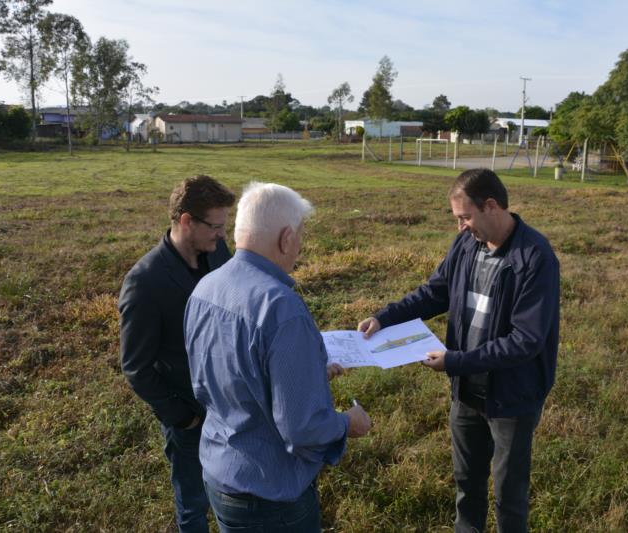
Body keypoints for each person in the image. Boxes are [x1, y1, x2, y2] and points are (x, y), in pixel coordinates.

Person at [358, 168, 560, 533]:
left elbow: (525, 340)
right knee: (467, 484)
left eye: (465, 217)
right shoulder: (466, 245)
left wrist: (455, 362)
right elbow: (435, 292)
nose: (461, 227)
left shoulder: (535, 257)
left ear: (492, 206)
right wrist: (384, 318)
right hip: (467, 391)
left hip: (511, 397)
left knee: (509, 493)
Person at [184, 182, 372, 533]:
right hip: (271, 497)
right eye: (301, 235)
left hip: (220, 472)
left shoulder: (206, 287)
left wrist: (309, 372)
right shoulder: (281, 309)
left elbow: (218, 376)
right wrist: (349, 422)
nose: (300, 245)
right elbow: (302, 429)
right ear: (286, 238)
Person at [119, 175, 236, 533]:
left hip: (228, 405)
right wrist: (182, 417)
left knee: (231, 491)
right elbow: (136, 367)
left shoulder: (217, 252)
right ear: (186, 221)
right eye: (215, 226)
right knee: (193, 504)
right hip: (190, 415)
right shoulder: (145, 281)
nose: (221, 234)